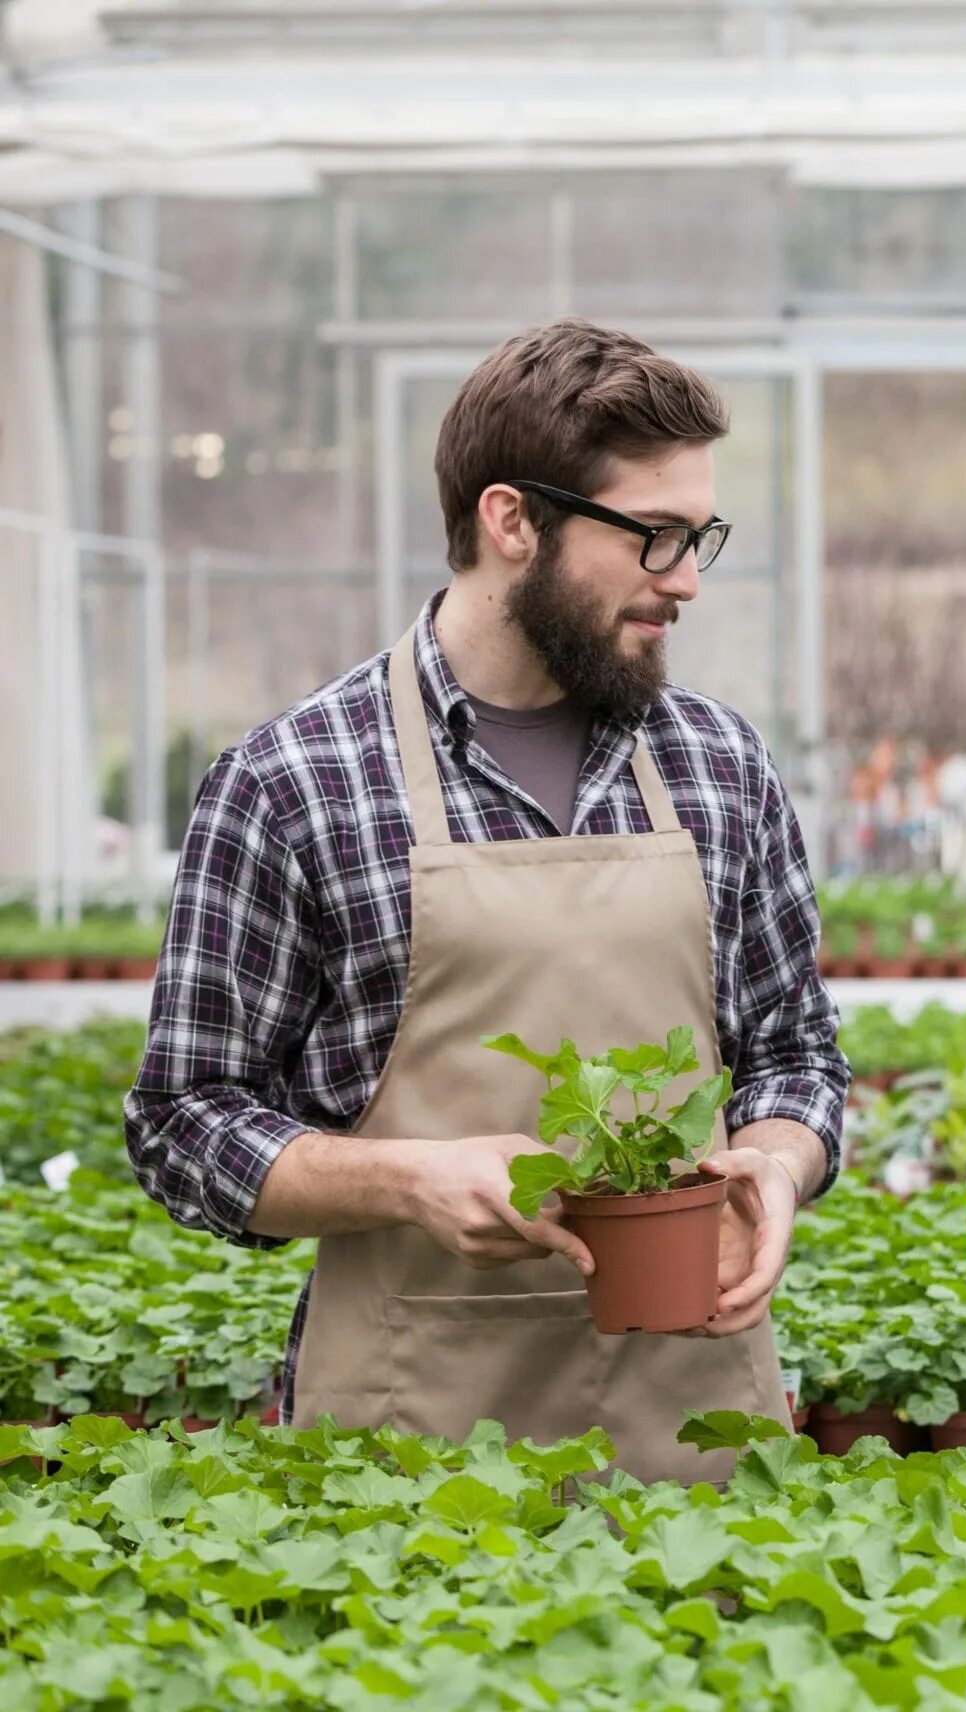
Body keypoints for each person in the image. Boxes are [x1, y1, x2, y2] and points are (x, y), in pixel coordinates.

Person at [126, 319, 848, 1483]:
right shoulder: (296, 780)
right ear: (513, 520)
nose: (687, 579)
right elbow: (183, 1119)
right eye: (655, 536)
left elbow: (794, 1050)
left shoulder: (721, 764)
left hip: (700, 1442)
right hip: (417, 1455)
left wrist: (773, 1160)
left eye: (698, 534)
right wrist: (408, 1177)